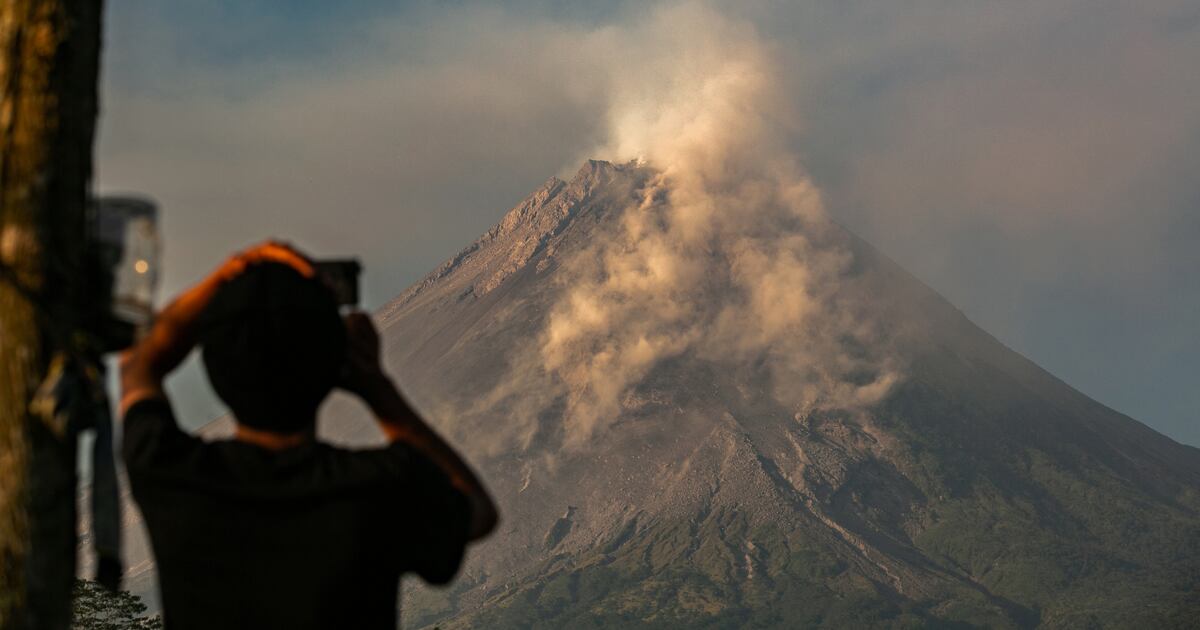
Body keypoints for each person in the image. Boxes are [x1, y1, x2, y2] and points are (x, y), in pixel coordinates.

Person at [118, 241, 497, 629]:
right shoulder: (380, 486)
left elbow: (139, 362)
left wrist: (235, 270)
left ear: (214, 371)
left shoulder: (174, 473)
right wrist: (377, 388)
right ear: (333, 363)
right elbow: (477, 510)